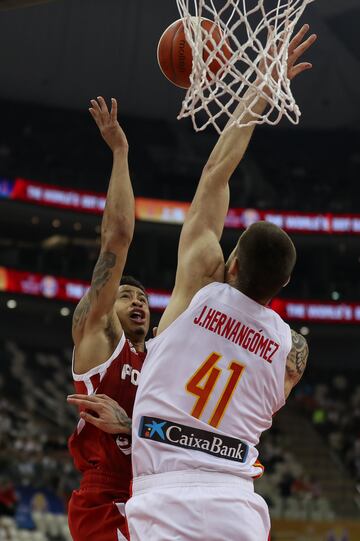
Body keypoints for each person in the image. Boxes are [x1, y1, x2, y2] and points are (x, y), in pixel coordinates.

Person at [124, 25, 316, 541]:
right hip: (237, 508)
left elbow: (215, 174)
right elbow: (284, 381)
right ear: (283, 286)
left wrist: (262, 87)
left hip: (165, 499)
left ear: (230, 262)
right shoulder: (285, 348)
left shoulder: (199, 288)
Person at [66, 97, 150, 541]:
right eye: (125, 296)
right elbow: (116, 237)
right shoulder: (101, 336)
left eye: (142, 297)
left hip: (156, 490)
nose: (137, 301)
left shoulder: (159, 355)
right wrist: (120, 153)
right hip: (107, 499)